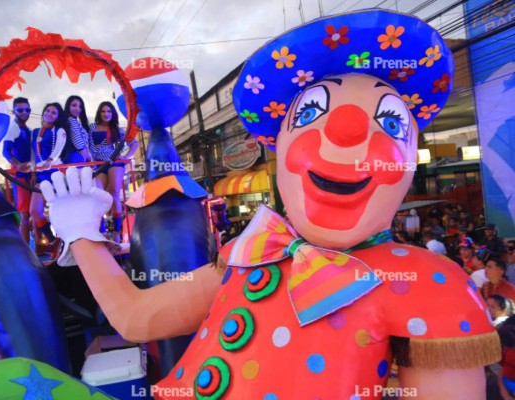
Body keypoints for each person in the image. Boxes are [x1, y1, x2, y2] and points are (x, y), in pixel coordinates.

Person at [40, 9, 499, 399]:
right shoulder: (247, 254)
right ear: (279, 145)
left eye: (389, 122)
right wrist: (82, 234)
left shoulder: (427, 282)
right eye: (310, 112)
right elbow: (137, 318)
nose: (346, 133)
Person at [89, 101, 138, 242]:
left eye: (109, 111)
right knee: (97, 194)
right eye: (103, 111)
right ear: (99, 113)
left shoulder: (117, 129)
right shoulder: (92, 127)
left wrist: (126, 156)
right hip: (99, 164)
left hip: (115, 163)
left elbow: (134, 143)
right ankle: (102, 229)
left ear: (113, 114)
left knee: (114, 193)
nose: (106, 114)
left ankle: (117, 231)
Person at [30, 103, 67, 257]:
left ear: (58, 116)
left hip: (55, 171)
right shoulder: (34, 132)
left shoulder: (59, 130)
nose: (50, 114)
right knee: (34, 210)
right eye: (48, 111)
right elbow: (32, 152)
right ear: (43, 112)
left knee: (58, 210)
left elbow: (59, 146)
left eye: (54, 112)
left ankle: (65, 244)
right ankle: (53, 240)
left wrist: (50, 160)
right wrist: (33, 170)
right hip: (39, 173)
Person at [2, 97, 33, 243]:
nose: (24, 112)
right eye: (20, 110)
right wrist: (18, 164)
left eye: (27, 110)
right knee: (24, 214)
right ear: (14, 111)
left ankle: (39, 246)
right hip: (20, 175)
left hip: (31, 174)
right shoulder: (12, 127)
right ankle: (26, 251)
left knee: (34, 211)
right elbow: (6, 151)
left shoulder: (28, 129)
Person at [63, 95, 92, 165]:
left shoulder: (71, 121)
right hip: (76, 158)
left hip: (75, 157)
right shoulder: (71, 121)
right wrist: (88, 159)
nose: (77, 109)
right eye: (74, 105)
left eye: (80, 107)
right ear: (68, 107)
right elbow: (79, 143)